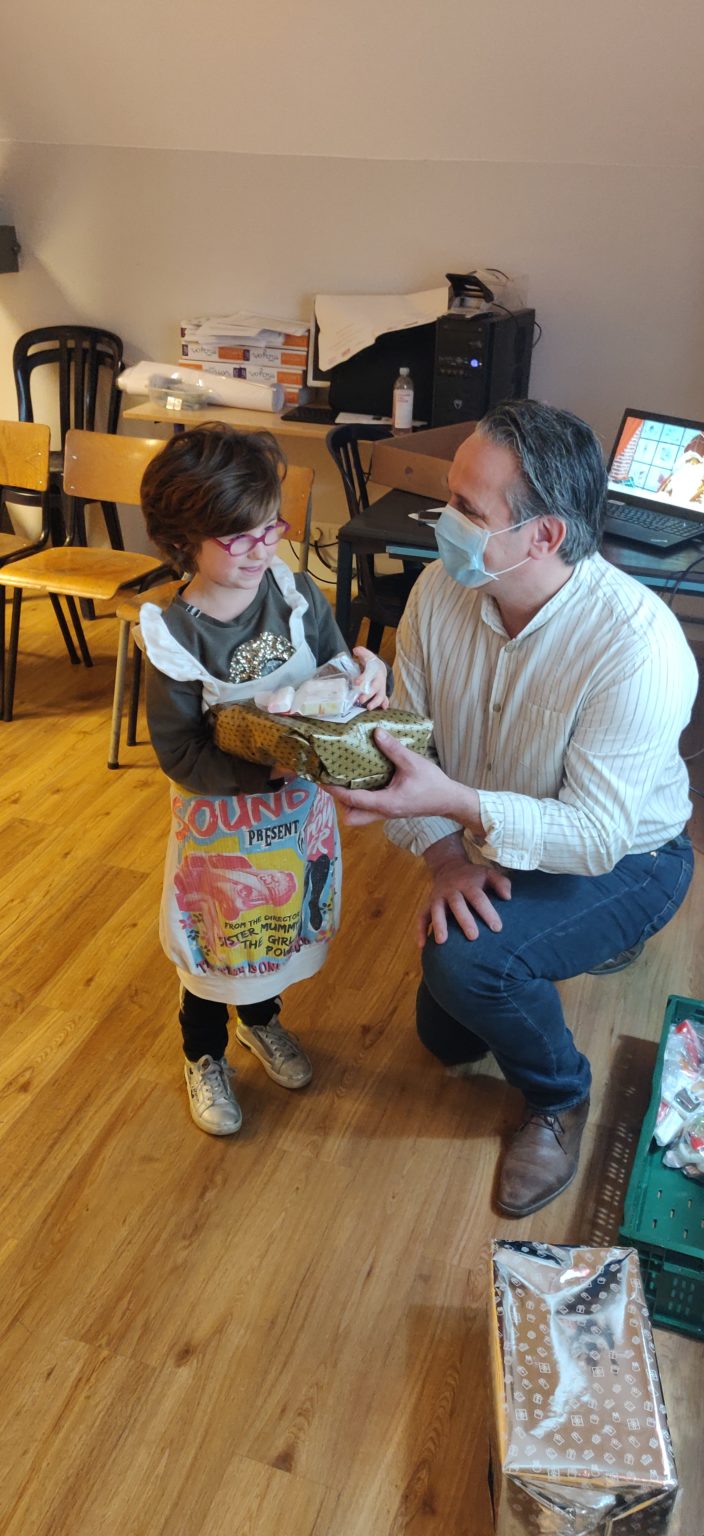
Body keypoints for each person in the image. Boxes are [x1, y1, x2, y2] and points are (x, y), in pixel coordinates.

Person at [328, 399, 697, 1216]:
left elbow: (597, 836)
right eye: (449, 495)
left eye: (467, 507)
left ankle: (560, 1096)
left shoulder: (637, 647)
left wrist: (457, 803)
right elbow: (409, 743)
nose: (443, 520)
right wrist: (441, 851)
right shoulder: (438, 591)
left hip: (632, 857)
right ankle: (543, 947)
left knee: (466, 966)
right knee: (448, 1039)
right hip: (493, 834)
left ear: (545, 535)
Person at [139, 424, 388, 1136]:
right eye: (237, 538)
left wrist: (366, 671)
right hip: (220, 833)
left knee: (271, 932)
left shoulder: (295, 592)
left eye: (270, 527)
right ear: (183, 540)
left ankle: (260, 1021)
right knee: (217, 948)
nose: (261, 550)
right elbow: (180, 753)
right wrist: (269, 765)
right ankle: (204, 1053)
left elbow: (335, 667)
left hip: (294, 824)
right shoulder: (176, 636)